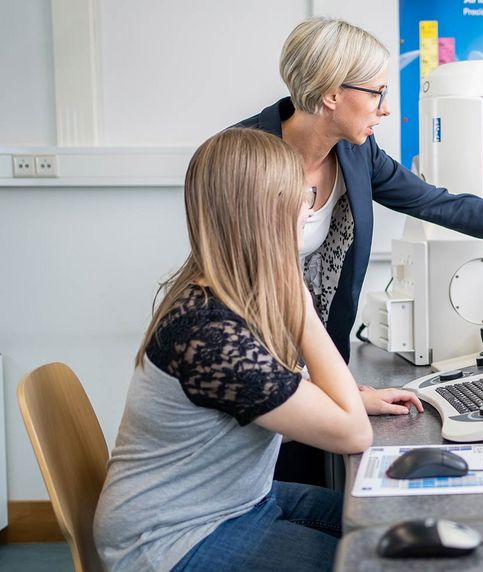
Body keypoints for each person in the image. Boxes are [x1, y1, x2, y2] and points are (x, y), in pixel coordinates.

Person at [236, 16, 483, 486]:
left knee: (312, 488)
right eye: (377, 92)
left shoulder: (358, 153)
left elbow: (435, 202)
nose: (385, 108)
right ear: (332, 94)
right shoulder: (241, 156)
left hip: (322, 358)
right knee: (262, 485)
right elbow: (227, 280)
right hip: (251, 358)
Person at [93, 128, 423, 571]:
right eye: (300, 196)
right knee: (375, 561)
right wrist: (302, 305)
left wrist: (358, 399)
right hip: (172, 538)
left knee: (391, 525)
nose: (309, 206)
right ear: (265, 214)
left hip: (238, 500)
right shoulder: (208, 332)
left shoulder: (225, 294)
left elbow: (269, 387)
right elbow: (352, 434)